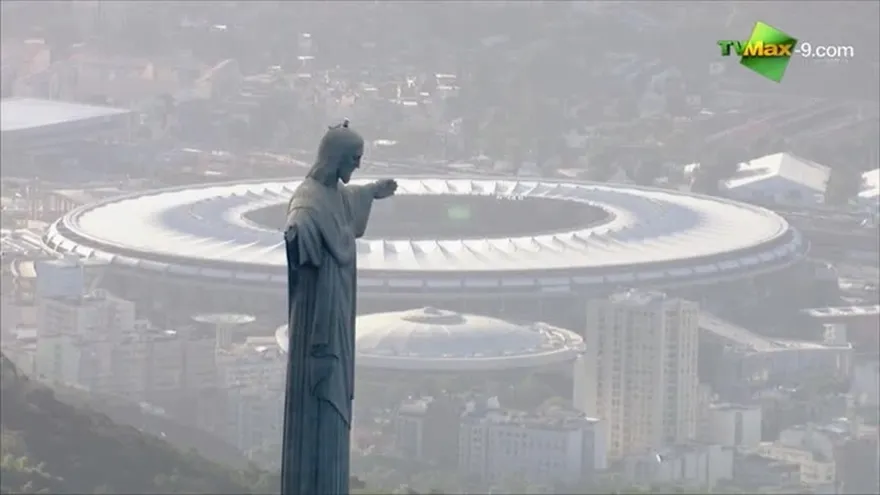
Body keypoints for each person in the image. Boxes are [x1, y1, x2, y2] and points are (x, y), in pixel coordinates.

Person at [280, 120, 397, 495]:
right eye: (355, 158)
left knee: (335, 403)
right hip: (318, 316)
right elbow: (302, 220)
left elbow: (347, 202)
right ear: (335, 158)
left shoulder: (337, 195)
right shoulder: (308, 199)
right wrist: (298, 233)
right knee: (318, 404)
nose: (358, 166)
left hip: (339, 311)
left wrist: (373, 192)